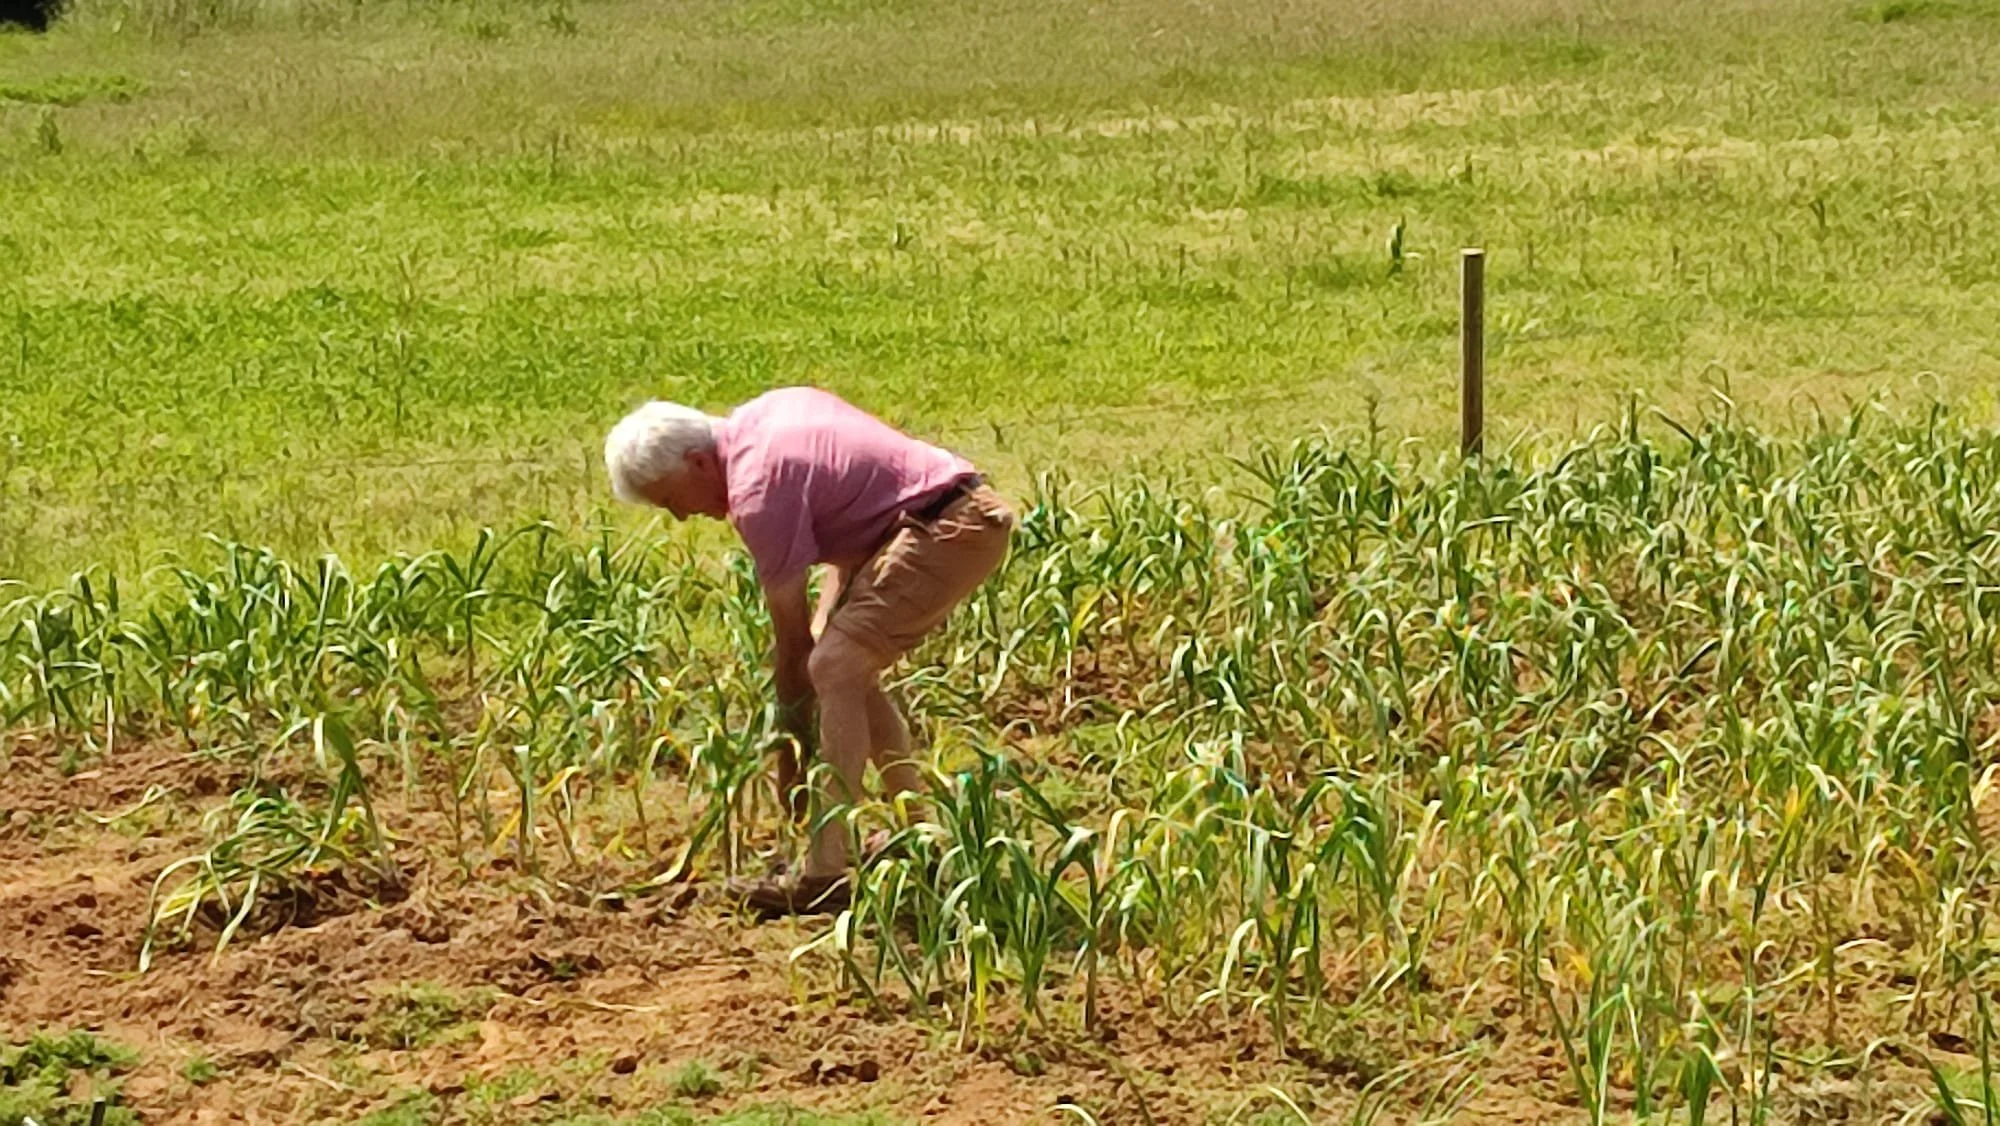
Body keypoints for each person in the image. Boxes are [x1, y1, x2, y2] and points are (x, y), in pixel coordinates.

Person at [603, 387, 1015, 914]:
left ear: (699, 461)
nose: (681, 517)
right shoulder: (762, 415)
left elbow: (792, 647)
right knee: (845, 665)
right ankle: (926, 834)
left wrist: (790, 763)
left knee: (834, 665)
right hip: (929, 516)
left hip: (948, 527)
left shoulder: (757, 490)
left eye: (670, 499)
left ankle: (824, 871)